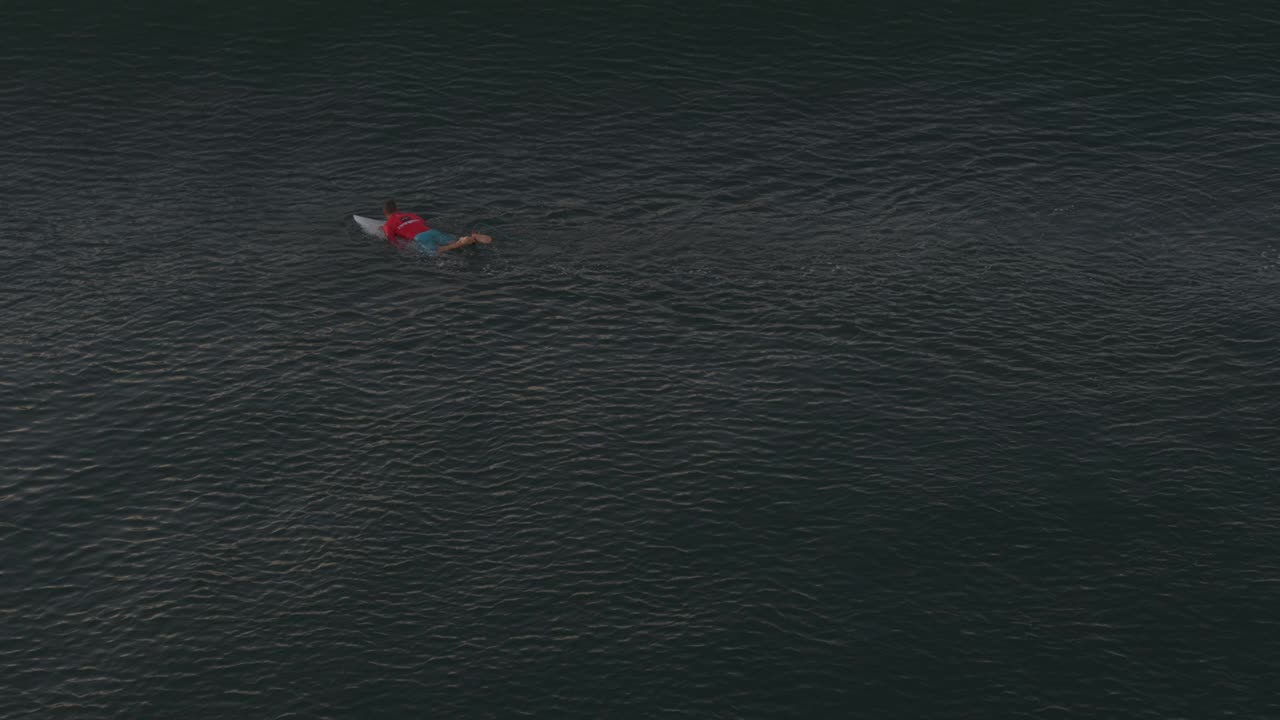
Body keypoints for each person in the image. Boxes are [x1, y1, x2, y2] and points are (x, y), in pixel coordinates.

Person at [380, 199, 493, 255]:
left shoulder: (388, 224)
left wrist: (402, 249)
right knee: (452, 241)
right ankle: (469, 238)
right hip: (432, 231)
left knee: (436, 253)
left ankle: (460, 243)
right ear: (397, 208)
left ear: (385, 213)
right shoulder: (410, 215)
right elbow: (422, 222)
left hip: (421, 238)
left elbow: (392, 241)